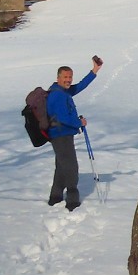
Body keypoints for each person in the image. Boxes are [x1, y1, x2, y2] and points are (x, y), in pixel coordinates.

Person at [47, 56, 102, 211]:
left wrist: (94, 71)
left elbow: (79, 87)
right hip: (60, 135)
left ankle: (55, 197)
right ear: (58, 78)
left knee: (62, 166)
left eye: (70, 77)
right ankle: (72, 200)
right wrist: (80, 123)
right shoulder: (57, 95)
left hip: (61, 134)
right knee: (71, 167)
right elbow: (63, 118)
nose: (68, 80)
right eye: (65, 77)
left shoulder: (62, 91)